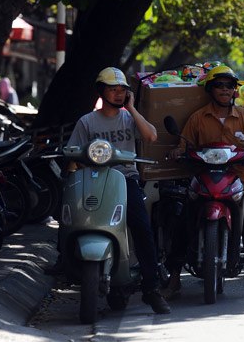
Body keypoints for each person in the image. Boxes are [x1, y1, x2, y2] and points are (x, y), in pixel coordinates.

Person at [45, 67, 171, 314]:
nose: (117, 94)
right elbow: (73, 152)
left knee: (142, 226)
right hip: (92, 179)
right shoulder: (87, 121)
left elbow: (151, 136)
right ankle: (66, 260)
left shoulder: (129, 118)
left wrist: (132, 108)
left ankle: (152, 288)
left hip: (125, 180)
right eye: (112, 89)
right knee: (71, 215)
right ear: (101, 91)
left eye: (122, 90)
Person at [165, 65, 244, 298]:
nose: (224, 89)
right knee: (182, 224)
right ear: (211, 89)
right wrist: (177, 151)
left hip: (238, 179)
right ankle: (173, 279)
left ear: (234, 91)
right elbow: (184, 144)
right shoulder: (198, 118)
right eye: (219, 85)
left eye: (229, 85)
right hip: (202, 178)